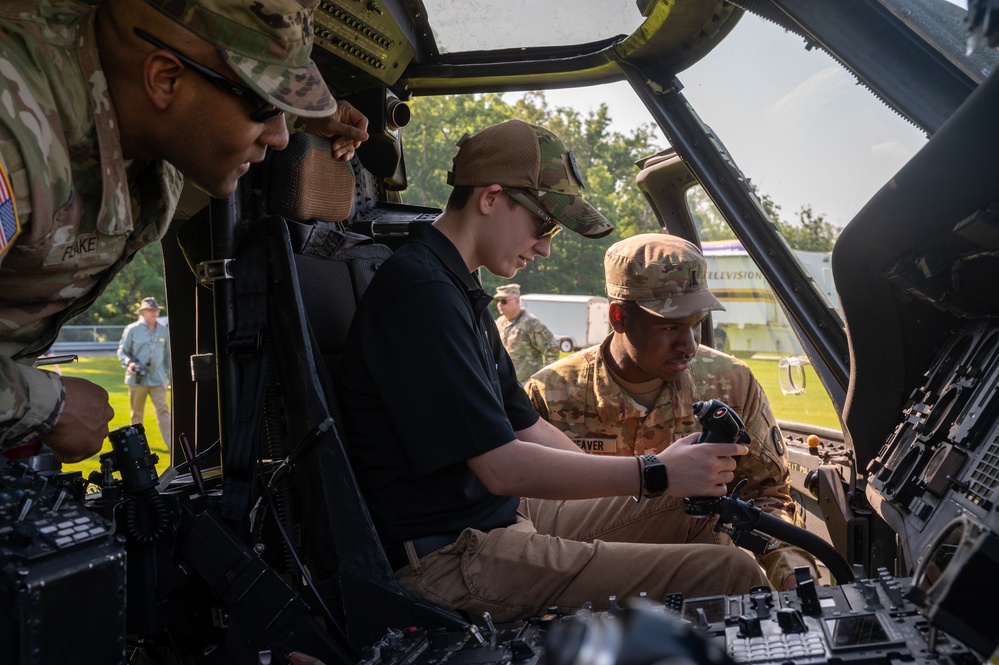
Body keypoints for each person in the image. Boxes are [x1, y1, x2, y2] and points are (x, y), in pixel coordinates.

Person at [339, 119, 769, 623]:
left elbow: (529, 427)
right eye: (543, 225)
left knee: (697, 513)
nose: (544, 246)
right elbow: (500, 467)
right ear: (492, 197)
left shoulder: (457, 289)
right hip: (452, 559)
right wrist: (653, 472)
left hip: (501, 522)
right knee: (729, 573)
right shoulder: (423, 294)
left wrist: (656, 484)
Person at [0, 0, 369, 463]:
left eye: (284, 111)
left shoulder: (152, 130)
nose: (279, 137)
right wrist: (46, 405)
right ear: (164, 80)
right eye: (263, 106)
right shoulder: (15, 134)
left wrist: (298, 112)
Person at [523, 234, 819, 591]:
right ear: (619, 317)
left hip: (708, 586)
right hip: (592, 590)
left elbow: (766, 495)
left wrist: (795, 578)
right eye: (669, 327)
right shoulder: (550, 395)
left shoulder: (731, 384)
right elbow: (531, 517)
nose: (689, 345)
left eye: (696, 324)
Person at [117, 297, 172, 445]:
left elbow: (167, 357)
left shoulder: (163, 330)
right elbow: (122, 351)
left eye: (156, 310)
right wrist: (129, 363)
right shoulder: (132, 329)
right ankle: (136, 446)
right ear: (142, 312)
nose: (154, 313)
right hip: (137, 380)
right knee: (136, 415)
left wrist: (170, 378)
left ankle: (172, 447)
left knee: (163, 412)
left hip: (158, 378)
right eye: (151, 310)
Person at [494, 283, 561, 382]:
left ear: (517, 300)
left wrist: (543, 377)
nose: (500, 304)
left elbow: (552, 349)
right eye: (498, 301)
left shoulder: (531, 324)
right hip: (507, 384)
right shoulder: (500, 323)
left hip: (527, 385)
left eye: (504, 301)